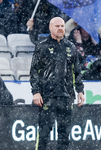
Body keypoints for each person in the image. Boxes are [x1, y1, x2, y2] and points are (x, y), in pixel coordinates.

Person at [30, 17, 85, 150]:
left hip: (66, 97)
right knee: (43, 134)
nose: (60, 28)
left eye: (62, 26)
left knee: (64, 136)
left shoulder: (71, 47)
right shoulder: (42, 46)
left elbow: (77, 71)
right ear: (50, 28)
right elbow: (34, 71)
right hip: (47, 96)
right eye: (57, 26)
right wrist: (36, 91)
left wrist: (80, 91)